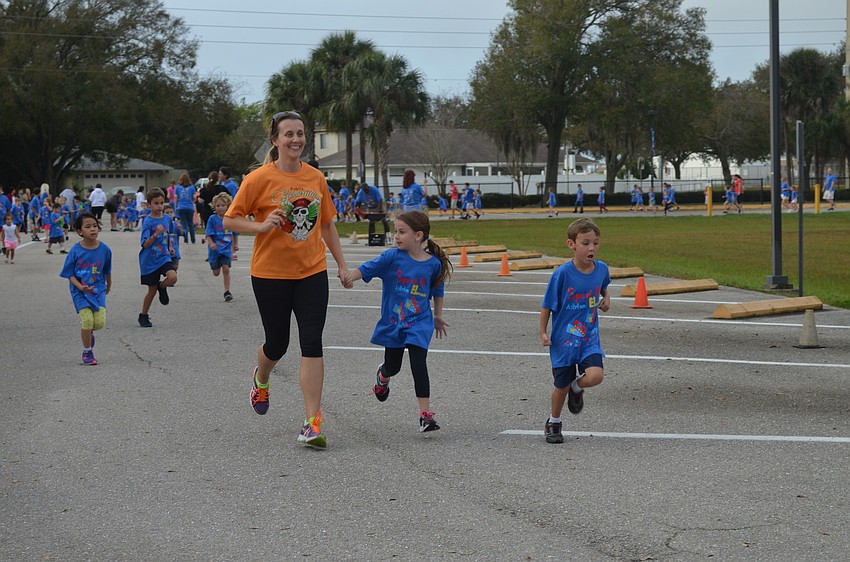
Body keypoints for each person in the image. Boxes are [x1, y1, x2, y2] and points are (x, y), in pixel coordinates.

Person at [222, 110, 351, 449]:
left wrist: (341, 264)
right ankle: (261, 376)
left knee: (312, 342)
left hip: (312, 272)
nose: (296, 139)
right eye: (289, 134)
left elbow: (326, 224)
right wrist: (260, 226)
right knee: (277, 344)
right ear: (275, 140)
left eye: (300, 133)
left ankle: (312, 423)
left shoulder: (315, 178)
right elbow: (230, 220)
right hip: (270, 275)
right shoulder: (258, 179)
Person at [345, 210, 450, 432]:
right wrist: (350, 276)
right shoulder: (392, 257)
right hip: (394, 322)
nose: (396, 236)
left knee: (419, 364)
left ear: (418, 235)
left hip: (420, 322)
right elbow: (368, 268)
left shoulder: (433, 264)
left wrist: (438, 315)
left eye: (402, 232)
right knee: (393, 366)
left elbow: (437, 289)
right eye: (396, 231)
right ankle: (383, 376)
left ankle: (425, 415)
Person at [539, 218, 610, 444]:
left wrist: (607, 298)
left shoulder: (601, 269)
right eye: (585, 243)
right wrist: (543, 332)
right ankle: (554, 422)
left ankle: (576, 387)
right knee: (560, 388)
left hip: (589, 338)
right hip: (564, 341)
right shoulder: (562, 274)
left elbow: (603, 287)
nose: (591, 248)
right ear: (571, 244)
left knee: (596, 376)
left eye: (595, 243)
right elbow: (547, 305)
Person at [59, 213, 112, 366]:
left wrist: (108, 286)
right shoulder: (75, 251)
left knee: (99, 323)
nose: (93, 229)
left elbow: (107, 270)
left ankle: (88, 332)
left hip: (98, 290)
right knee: (87, 320)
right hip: (80, 291)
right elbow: (69, 274)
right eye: (88, 227)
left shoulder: (105, 249)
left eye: (95, 226)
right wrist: (80, 287)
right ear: (79, 231)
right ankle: (87, 352)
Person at [137, 188, 177, 328]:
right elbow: (145, 244)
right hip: (149, 261)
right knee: (151, 291)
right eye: (156, 203)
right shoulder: (148, 222)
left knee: (172, 277)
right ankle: (143, 315)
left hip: (164, 256)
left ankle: (162, 286)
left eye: (161, 203)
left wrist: (170, 246)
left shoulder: (167, 219)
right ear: (149, 204)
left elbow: (168, 235)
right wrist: (155, 234)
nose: (159, 206)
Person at [206, 192, 235, 302]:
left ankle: (227, 291)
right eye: (218, 205)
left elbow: (234, 233)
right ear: (214, 207)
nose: (220, 208)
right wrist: (211, 243)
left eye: (223, 205)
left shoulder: (230, 218)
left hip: (226, 250)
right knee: (216, 273)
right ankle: (215, 266)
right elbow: (208, 234)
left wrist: (235, 245)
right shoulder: (212, 219)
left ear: (227, 206)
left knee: (226, 269)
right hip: (214, 251)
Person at [197, 171, 226, 242]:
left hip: (207, 210)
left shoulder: (205, 189)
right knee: (219, 224)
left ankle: (209, 237)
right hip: (219, 210)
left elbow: (200, 200)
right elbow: (228, 196)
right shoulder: (221, 188)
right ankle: (219, 236)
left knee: (209, 226)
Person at [174, 173, 197, 243]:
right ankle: (193, 239)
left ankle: (186, 239)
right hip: (189, 207)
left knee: (184, 224)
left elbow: (175, 197)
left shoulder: (178, 187)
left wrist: (176, 206)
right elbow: (195, 197)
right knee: (191, 224)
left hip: (181, 207)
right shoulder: (191, 187)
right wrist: (192, 202)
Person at [164, 204, 182, 270]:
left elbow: (183, 234)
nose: (169, 214)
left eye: (171, 212)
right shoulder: (162, 225)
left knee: (175, 266)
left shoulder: (176, 224)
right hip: (165, 251)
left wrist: (180, 229)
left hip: (175, 251)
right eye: (167, 213)